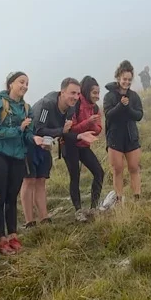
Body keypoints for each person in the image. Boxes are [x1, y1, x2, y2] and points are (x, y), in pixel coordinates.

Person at [0, 71, 34, 254]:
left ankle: (13, 235)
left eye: (27, 83)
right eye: (21, 82)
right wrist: (19, 128)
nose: (25, 86)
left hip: (18, 156)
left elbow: (28, 132)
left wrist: (34, 139)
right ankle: (1, 238)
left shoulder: (26, 108)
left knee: (12, 197)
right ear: (11, 84)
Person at [25, 77, 84, 226]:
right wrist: (60, 131)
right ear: (62, 92)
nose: (76, 97)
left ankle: (44, 218)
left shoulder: (71, 108)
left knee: (41, 180)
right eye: (72, 93)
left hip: (46, 145)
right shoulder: (47, 104)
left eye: (78, 94)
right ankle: (29, 221)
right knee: (29, 180)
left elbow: (64, 131)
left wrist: (78, 136)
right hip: (30, 143)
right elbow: (39, 129)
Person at [102, 60, 144, 209]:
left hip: (131, 137)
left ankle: (137, 198)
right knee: (117, 169)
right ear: (118, 78)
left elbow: (139, 115)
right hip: (115, 138)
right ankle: (119, 200)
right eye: (124, 79)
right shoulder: (109, 97)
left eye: (129, 79)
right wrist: (121, 105)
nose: (126, 82)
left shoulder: (134, 96)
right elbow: (108, 115)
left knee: (134, 168)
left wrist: (128, 108)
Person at [65, 75, 106, 220]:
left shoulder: (95, 108)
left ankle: (94, 207)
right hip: (70, 144)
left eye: (98, 93)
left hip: (83, 145)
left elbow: (98, 130)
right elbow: (71, 130)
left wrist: (92, 124)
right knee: (75, 176)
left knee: (99, 172)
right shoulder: (75, 104)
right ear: (87, 91)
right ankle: (78, 211)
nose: (97, 96)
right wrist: (88, 122)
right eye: (94, 93)